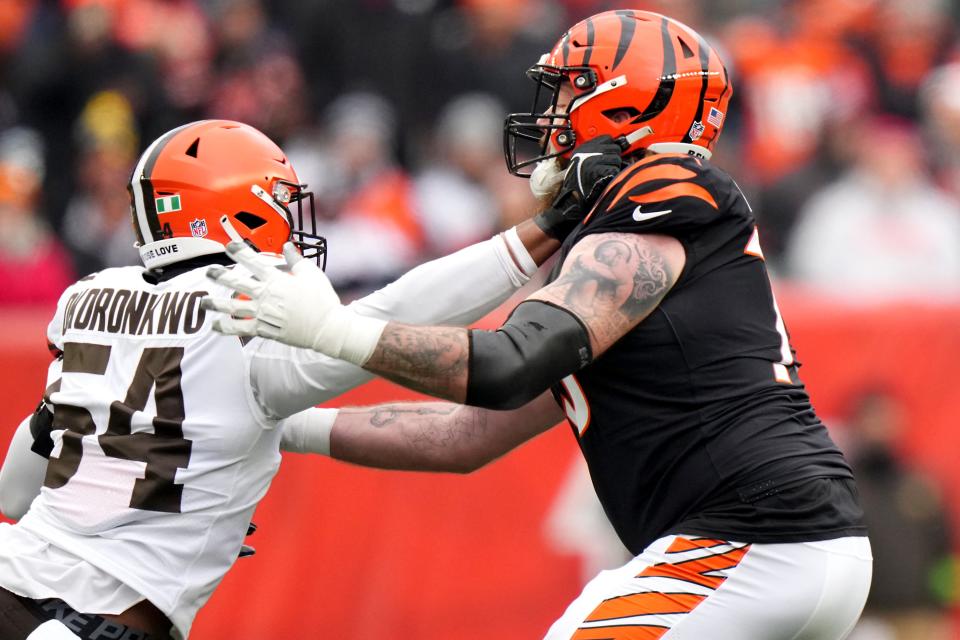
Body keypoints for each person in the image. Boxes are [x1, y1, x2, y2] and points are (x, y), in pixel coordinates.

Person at [204, 10, 873, 639]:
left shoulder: (660, 193)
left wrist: (329, 331)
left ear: (621, 104)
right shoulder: (615, 246)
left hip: (754, 539)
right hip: (779, 541)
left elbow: (507, 365)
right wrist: (288, 427)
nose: (547, 116)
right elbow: (467, 436)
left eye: (565, 93)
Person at [0, 118, 622, 639]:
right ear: (231, 212)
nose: (294, 226)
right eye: (278, 204)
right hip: (95, 623)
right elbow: (395, 312)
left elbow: (26, 467)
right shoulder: (250, 310)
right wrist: (546, 228)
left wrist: (184, 478)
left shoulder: (88, 297)